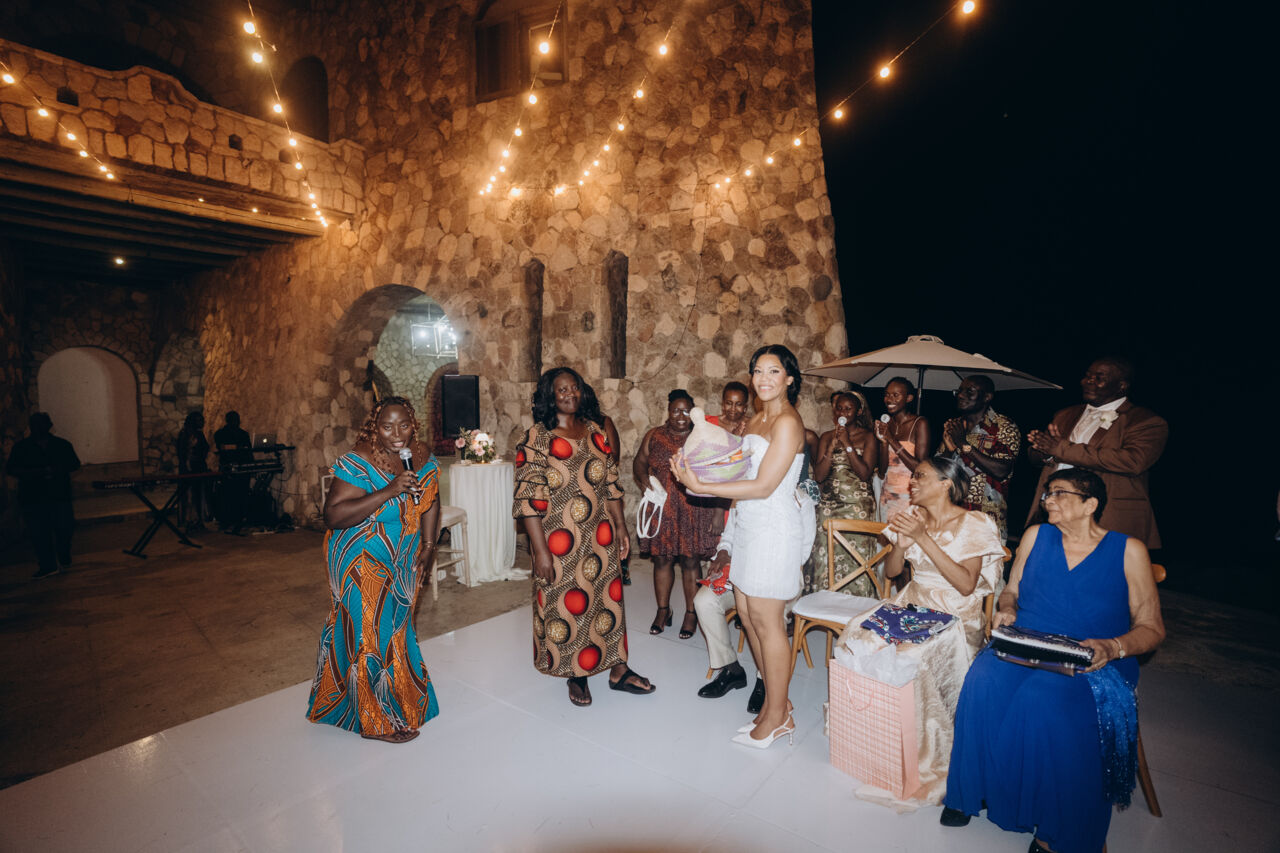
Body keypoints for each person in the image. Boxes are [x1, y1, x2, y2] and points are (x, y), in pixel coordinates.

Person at [943, 468, 1166, 853]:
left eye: (1059, 493)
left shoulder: (1128, 550)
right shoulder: (1036, 536)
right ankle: (975, 791)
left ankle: (1057, 831)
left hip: (1094, 658)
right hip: (1029, 643)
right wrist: (1007, 609)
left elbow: (1152, 628)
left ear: (1090, 504)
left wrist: (1113, 647)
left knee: (1044, 700)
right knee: (983, 680)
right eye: (1048, 492)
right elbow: (1011, 591)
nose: (1048, 499)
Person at [836, 455, 1004, 802]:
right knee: (858, 634)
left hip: (954, 611)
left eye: (921, 476)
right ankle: (878, 731)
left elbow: (966, 585)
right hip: (913, 602)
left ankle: (922, 748)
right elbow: (892, 572)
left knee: (910, 654)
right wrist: (900, 546)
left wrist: (922, 538)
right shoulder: (912, 517)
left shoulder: (974, 522)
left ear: (946, 484)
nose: (912, 482)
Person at [672, 345, 809, 749]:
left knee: (769, 624)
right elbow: (738, 468)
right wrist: (698, 465)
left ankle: (778, 716)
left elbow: (764, 486)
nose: (764, 378)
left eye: (774, 371)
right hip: (748, 525)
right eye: (758, 371)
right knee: (748, 617)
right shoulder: (757, 419)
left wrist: (701, 486)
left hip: (773, 530)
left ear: (789, 379)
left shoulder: (788, 422)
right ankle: (775, 707)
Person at [514, 367, 653, 707]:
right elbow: (528, 501)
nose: (570, 394)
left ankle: (618, 668)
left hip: (600, 535)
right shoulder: (537, 438)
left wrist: (620, 527)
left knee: (608, 600)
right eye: (562, 389)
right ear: (549, 395)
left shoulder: (595, 432)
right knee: (569, 603)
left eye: (574, 387)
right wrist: (541, 552)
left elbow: (611, 485)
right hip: (559, 540)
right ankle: (577, 673)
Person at [306, 396, 442, 743]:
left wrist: (429, 546)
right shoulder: (360, 460)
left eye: (404, 425)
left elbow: (430, 500)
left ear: (413, 425)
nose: (396, 434)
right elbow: (333, 515)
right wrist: (389, 490)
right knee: (368, 630)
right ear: (374, 427)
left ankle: (382, 699)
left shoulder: (420, 454)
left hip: (403, 554)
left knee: (395, 627)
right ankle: (375, 719)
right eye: (387, 427)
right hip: (359, 551)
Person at [1026, 357, 1168, 548]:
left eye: (1099, 378)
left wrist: (1060, 449)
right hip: (1053, 509)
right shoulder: (1065, 414)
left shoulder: (1144, 421)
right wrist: (1044, 450)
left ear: (1122, 386)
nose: (1088, 381)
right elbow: (1038, 458)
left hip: (1107, 515)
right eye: (1087, 376)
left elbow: (1133, 461)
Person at [633, 389, 721, 639]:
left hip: (694, 507)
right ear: (668, 412)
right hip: (662, 508)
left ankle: (692, 613)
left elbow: (717, 475)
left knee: (691, 560)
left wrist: (717, 513)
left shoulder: (703, 436)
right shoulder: (654, 435)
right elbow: (639, 462)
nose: (681, 416)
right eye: (676, 411)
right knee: (662, 559)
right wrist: (645, 483)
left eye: (686, 411)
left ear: (693, 412)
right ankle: (663, 610)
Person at [807, 390, 880, 596]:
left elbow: (864, 473)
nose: (843, 412)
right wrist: (831, 449)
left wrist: (847, 444)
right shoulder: (826, 436)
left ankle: (856, 601)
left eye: (848, 409)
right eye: (839, 408)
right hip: (829, 504)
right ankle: (823, 601)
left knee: (855, 556)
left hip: (858, 505)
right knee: (823, 554)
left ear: (858, 412)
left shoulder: (868, 437)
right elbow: (819, 476)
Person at [940, 376, 1021, 542]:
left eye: (969, 391)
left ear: (987, 397)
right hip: (951, 516)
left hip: (986, 520)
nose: (961, 395)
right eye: (959, 391)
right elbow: (938, 472)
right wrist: (948, 450)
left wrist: (963, 444)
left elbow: (1001, 470)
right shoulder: (955, 425)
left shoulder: (1003, 426)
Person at [5, 412, 81, 579]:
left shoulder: (62, 445)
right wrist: (34, 473)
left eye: (42, 425)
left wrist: (55, 470)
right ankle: (48, 565)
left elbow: (74, 464)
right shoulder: (21, 448)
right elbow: (11, 469)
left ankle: (63, 555)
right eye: (35, 425)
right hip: (33, 496)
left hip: (59, 494)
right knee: (39, 533)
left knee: (64, 528)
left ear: (49, 426)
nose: (39, 428)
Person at [578, 380, 631, 584]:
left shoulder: (602, 422)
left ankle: (613, 575)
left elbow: (614, 455)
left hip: (602, 487)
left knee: (606, 537)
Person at [875, 377, 931, 522]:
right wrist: (883, 442)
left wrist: (891, 440)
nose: (889, 399)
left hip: (910, 497)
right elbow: (882, 471)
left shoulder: (920, 423)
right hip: (887, 495)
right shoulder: (887, 424)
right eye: (887, 394)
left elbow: (919, 468)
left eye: (896, 395)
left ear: (909, 398)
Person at [213, 411, 252, 531]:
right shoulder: (220, 434)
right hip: (227, 468)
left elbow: (248, 450)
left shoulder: (243, 434)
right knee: (228, 495)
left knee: (241, 494)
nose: (236, 422)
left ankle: (240, 518)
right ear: (228, 420)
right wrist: (237, 448)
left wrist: (250, 466)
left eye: (237, 419)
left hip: (242, 468)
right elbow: (222, 448)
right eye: (234, 419)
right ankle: (227, 520)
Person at [175, 410, 211, 531]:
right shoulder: (185, 434)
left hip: (199, 468)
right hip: (189, 469)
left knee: (199, 495)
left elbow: (204, 449)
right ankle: (189, 520)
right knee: (189, 495)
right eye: (200, 420)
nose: (202, 422)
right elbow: (182, 453)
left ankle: (198, 520)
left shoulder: (198, 434)